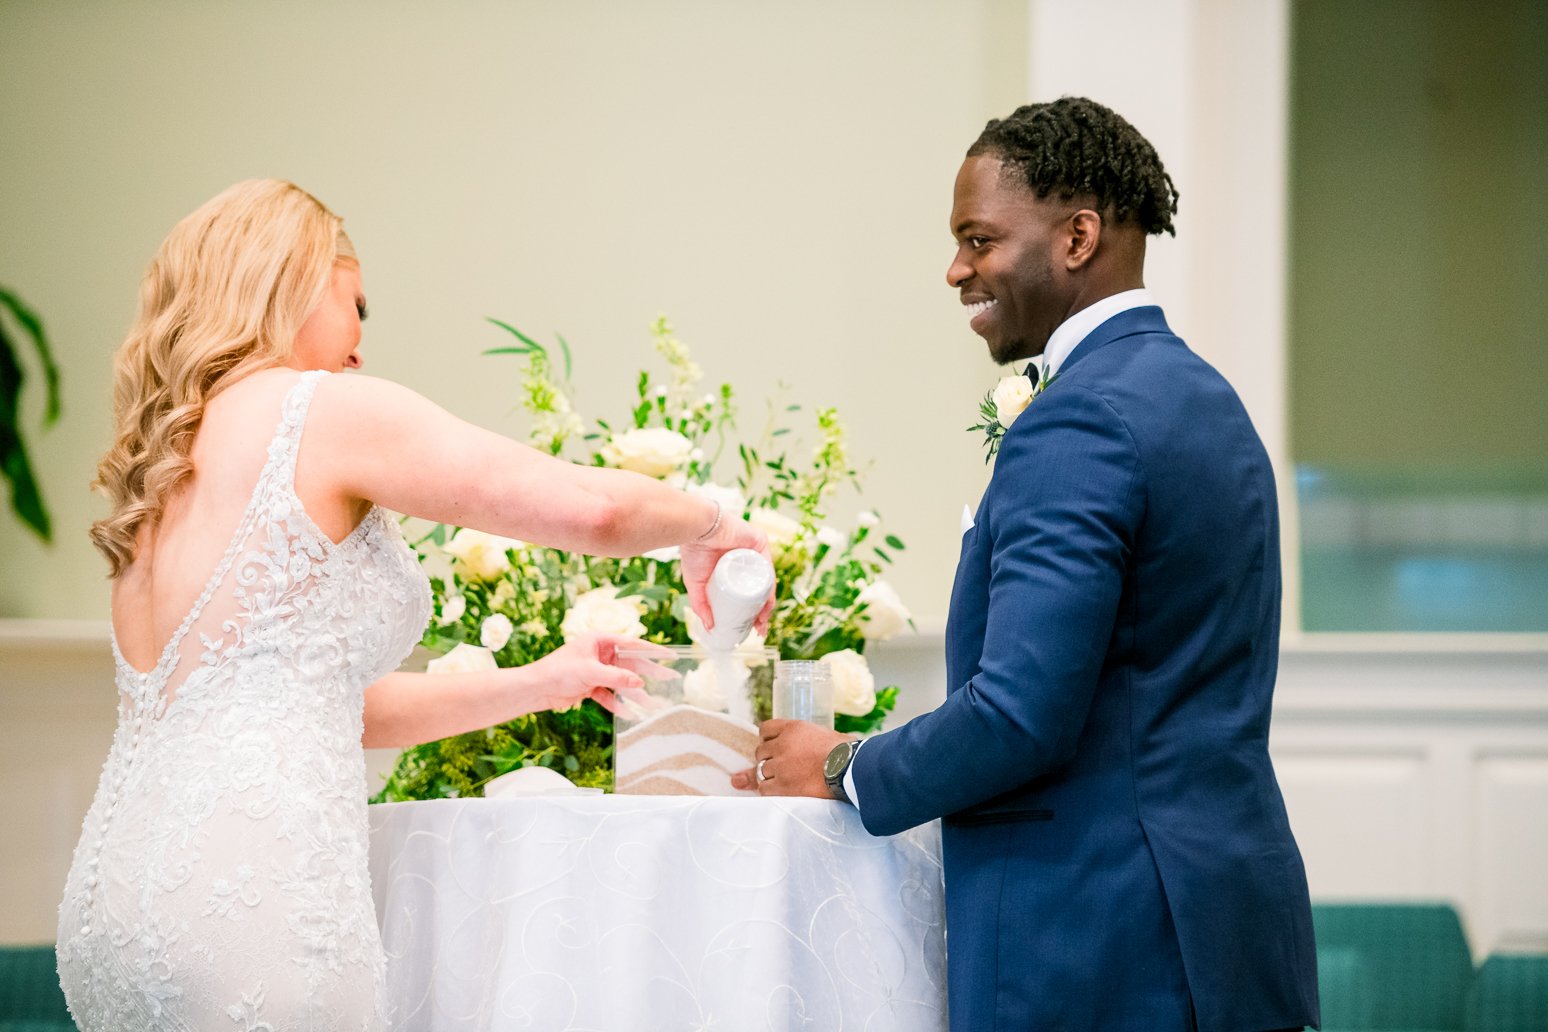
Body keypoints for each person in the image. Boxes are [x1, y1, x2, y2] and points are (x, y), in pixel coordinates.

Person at [54, 178, 770, 1032]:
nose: (359, 343)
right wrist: (714, 523)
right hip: (254, 902)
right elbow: (591, 509)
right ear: (294, 277)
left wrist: (542, 680)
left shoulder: (160, 474)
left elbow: (316, 706)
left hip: (114, 899)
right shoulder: (318, 410)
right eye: (356, 301)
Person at [737, 97, 1320, 1031]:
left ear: (1079, 234)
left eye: (980, 239)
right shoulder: (1208, 399)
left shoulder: (1079, 418)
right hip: (1228, 924)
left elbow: (1019, 714)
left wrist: (845, 764)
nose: (957, 269)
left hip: (1099, 940)